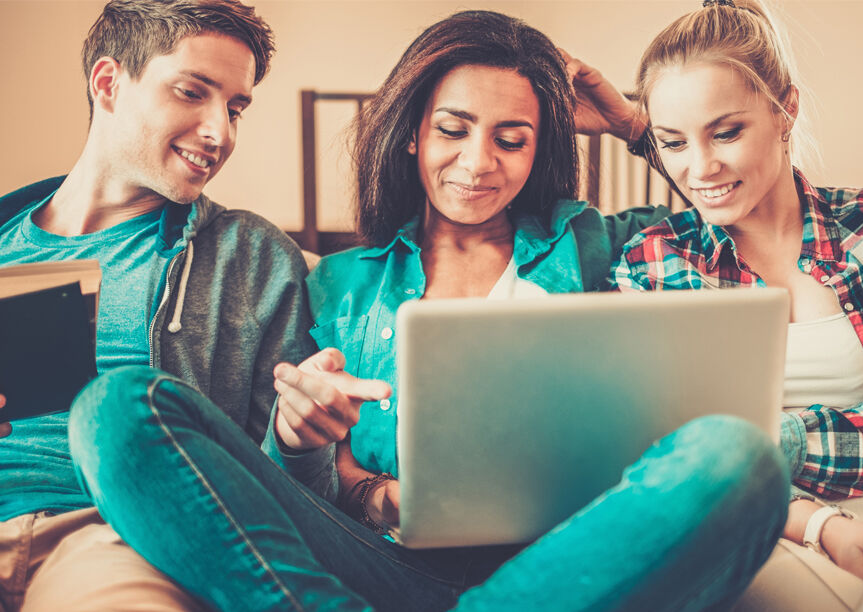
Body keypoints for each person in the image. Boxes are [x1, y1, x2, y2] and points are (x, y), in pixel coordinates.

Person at [68, 10, 789, 611]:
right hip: (389, 567)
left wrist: (633, 126)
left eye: (512, 140)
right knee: (119, 411)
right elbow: (306, 499)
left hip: (570, 561)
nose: (478, 162)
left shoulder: (601, 244)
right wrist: (306, 442)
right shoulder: (339, 285)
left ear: (539, 154)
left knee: (741, 459)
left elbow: (744, 205)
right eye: (453, 130)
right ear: (412, 131)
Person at [585, 0, 863, 608]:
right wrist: (816, 523)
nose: (700, 168)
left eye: (727, 131)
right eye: (672, 142)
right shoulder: (653, 262)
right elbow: (665, 454)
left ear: (785, 110)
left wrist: (770, 442)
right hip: (763, 528)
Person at [0, 1, 315, 609]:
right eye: (192, 92)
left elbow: (281, 495)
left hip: (113, 538)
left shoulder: (251, 257)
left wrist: (301, 440)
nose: (219, 132)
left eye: (235, 107)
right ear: (109, 83)